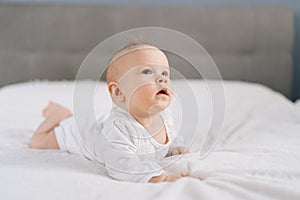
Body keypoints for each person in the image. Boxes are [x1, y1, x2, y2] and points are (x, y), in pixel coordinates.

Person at [30, 42, 193, 183]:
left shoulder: (165, 116)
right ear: (118, 92)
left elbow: (171, 135)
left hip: (96, 122)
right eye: (147, 72)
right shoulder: (117, 130)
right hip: (80, 131)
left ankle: (67, 114)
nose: (162, 79)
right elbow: (120, 164)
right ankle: (58, 117)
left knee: (90, 121)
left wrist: (174, 147)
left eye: (165, 73)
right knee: (37, 142)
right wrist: (158, 177)